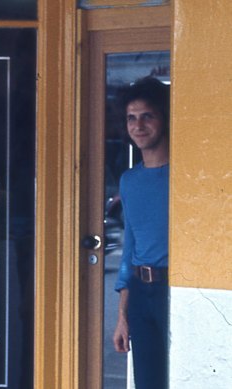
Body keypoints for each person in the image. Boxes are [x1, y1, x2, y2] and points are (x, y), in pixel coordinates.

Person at [112, 77, 170, 389]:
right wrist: (122, 316)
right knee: (148, 382)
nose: (138, 125)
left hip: (177, 290)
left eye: (148, 115)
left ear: (164, 118)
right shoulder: (129, 181)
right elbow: (129, 248)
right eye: (131, 118)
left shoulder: (185, 176)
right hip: (141, 293)